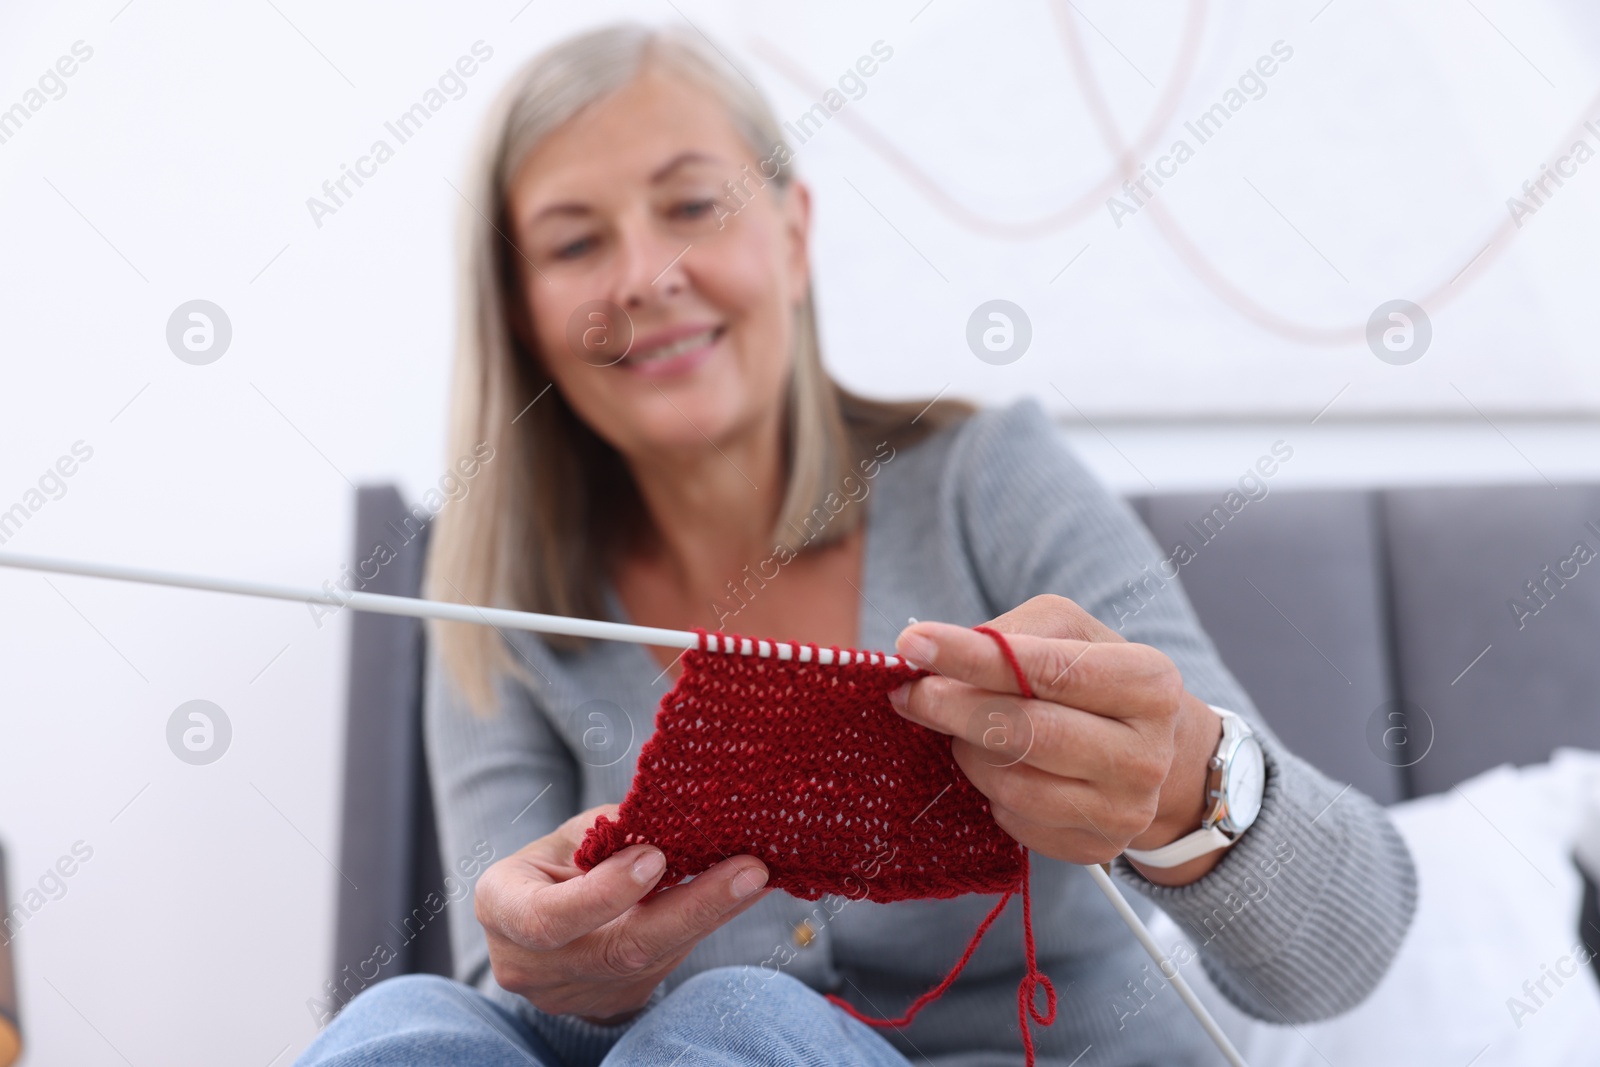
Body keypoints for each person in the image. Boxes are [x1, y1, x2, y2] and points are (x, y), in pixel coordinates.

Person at [296, 22, 1416, 1067]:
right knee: (407, 1017)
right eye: (576, 242)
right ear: (523, 313)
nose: (642, 274)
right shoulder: (500, 600)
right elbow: (521, 1008)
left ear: (792, 237)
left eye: (693, 205)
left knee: (735, 1012)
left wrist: (1181, 790)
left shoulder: (988, 484)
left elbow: (1347, 939)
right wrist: (557, 961)